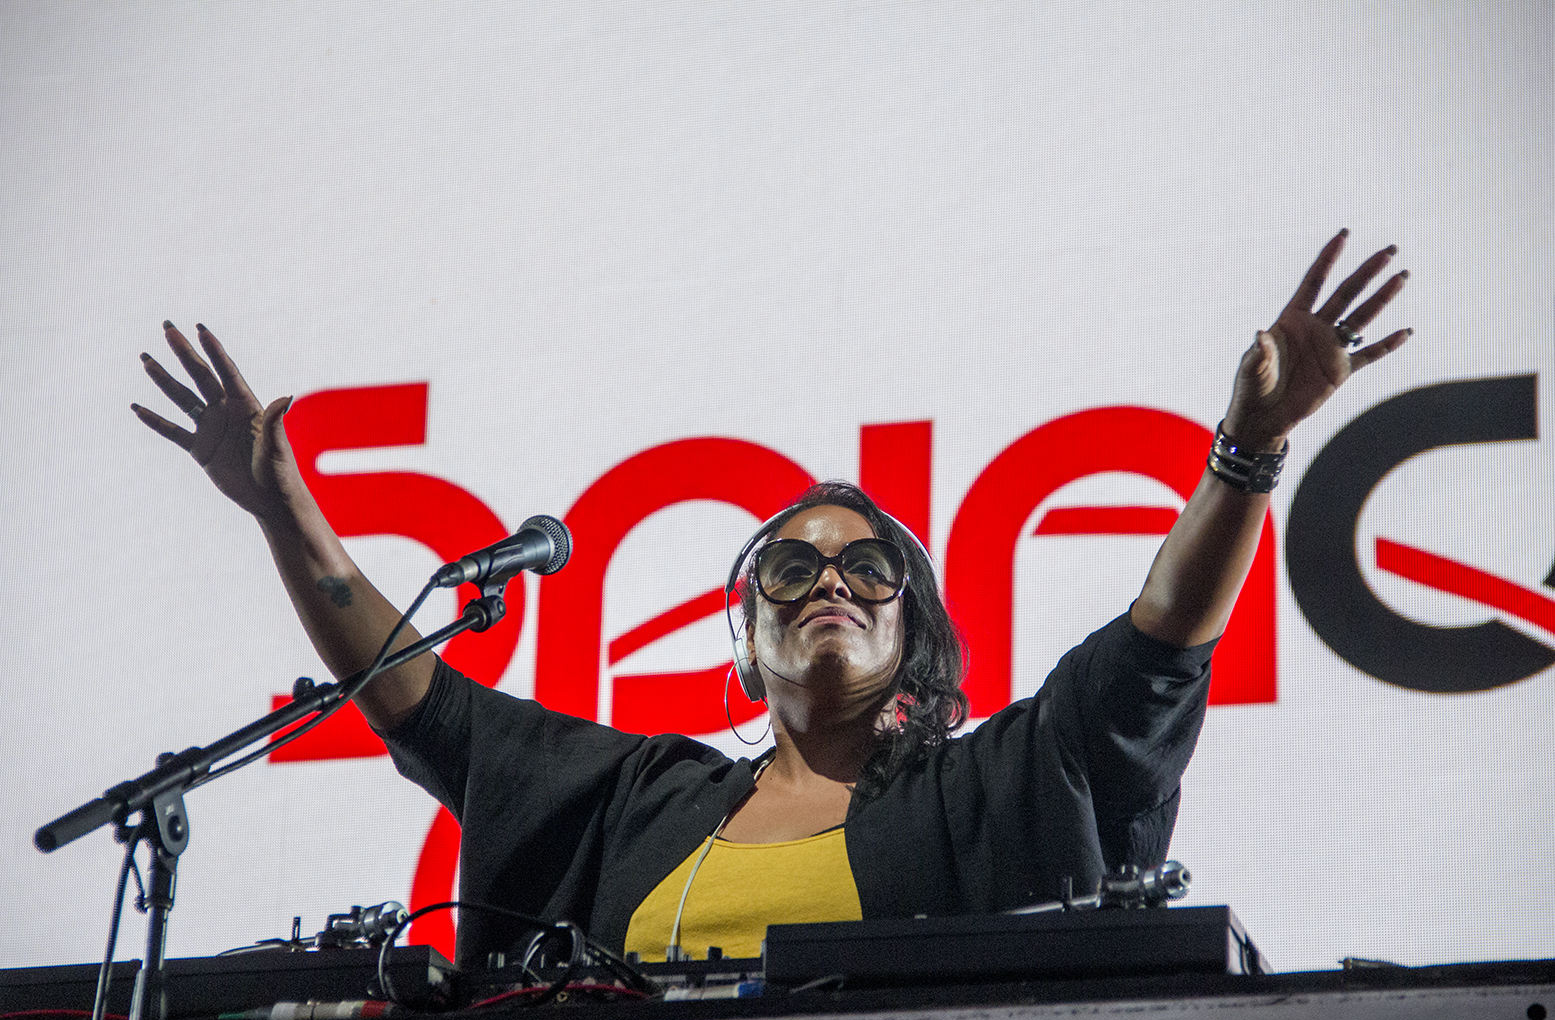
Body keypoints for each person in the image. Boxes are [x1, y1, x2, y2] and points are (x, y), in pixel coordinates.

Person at [133, 230, 1410, 965]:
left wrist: (1248, 448)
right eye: (788, 569)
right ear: (745, 645)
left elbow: (1156, 649)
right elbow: (420, 698)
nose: (829, 580)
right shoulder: (637, 797)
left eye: (868, 566)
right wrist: (280, 506)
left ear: (913, 635)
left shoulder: (987, 787)